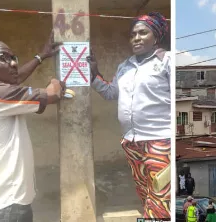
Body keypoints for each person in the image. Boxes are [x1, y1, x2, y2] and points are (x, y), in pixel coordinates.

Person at [87, 12, 171, 219]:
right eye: (133, 34)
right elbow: (110, 93)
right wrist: (94, 74)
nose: (136, 38)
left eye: (143, 33)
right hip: (131, 142)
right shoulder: (124, 66)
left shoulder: (167, 61)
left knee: (160, 198)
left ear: (156, 36)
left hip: (159, 140)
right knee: (145, 194)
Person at [0, 34, 65, 222]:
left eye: (13, 58)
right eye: (3, 58)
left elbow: (15, 80)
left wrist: (41, 56)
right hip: (7, 206)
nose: (13, 63)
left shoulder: (1, 91)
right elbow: (52, 94)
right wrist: (55, 83)